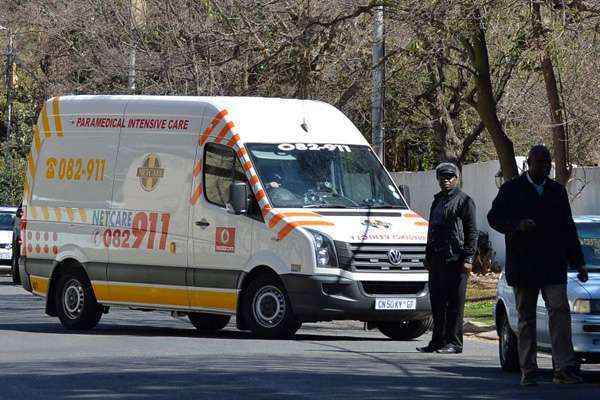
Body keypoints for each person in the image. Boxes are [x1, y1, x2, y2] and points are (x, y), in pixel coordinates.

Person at [487, 145, 589, 386]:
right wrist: (517, 225)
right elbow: (494, 218)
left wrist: (579, 263)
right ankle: (529, 370)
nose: (544, 168)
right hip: (524, 265)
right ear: (529, 164)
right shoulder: (512, 189)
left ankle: (562, 368)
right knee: (526, 318)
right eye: (539, 163)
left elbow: (568, 229)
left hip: (553, 264)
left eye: (547, 164)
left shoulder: (557, 191)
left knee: (559, 313)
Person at [417, 162, 477, 354]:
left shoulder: (465, 201)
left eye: (450, 177)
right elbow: (431, 230)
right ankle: (437, 340)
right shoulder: (437, 201)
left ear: (457, 178)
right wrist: (427, 256)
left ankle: (454, 342)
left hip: (456, 259)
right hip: (437, 259)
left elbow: (472, 232)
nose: (446, 181)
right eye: (442, 177)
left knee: (455, 304)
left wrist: (468, 258)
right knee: (437, 302)